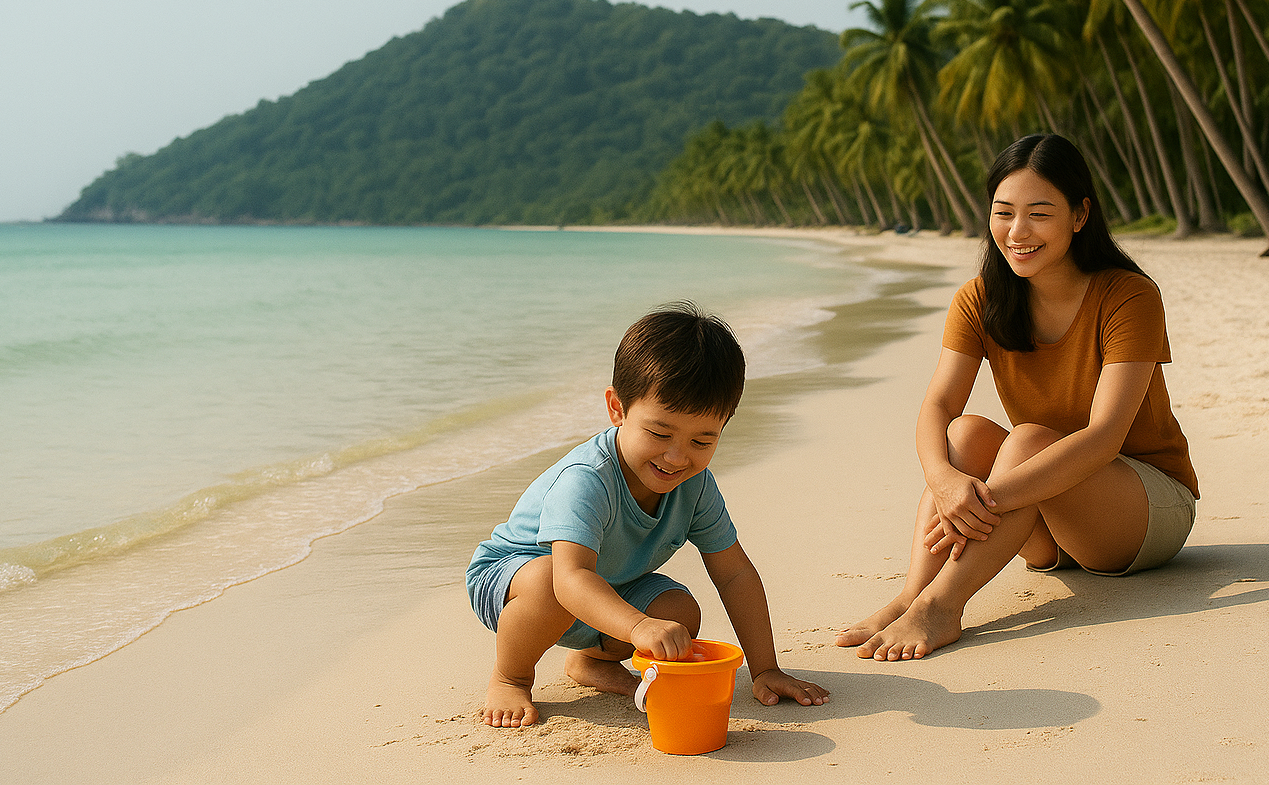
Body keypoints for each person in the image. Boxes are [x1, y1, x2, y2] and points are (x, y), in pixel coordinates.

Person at [836, 133, 1199, 662]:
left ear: (1080, 215)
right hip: (1043, 519)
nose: (1017, 232)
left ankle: (941, 606)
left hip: (1142, 510)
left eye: (1039, 214)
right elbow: (938, 407)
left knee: (1027, 441)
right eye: (1003, 212)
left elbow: (1104, 438)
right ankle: (911, 595)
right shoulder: (980, 299)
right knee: (964, 434)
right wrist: (945, 483)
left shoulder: (1128, 296)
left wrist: (983, 500)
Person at [468, 301, 831, 727]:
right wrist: (638, 626)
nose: (677, 457)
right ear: (617, 408)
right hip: (517, 580)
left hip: (611, 584)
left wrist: (765, 668)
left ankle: (592, 661)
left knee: (680, 612)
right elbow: (570, 579)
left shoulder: (695, 486)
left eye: (702, 442)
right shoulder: (586, 479)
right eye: (659, 433)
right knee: (551, 583)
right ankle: (510, 676)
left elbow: (734, 573)